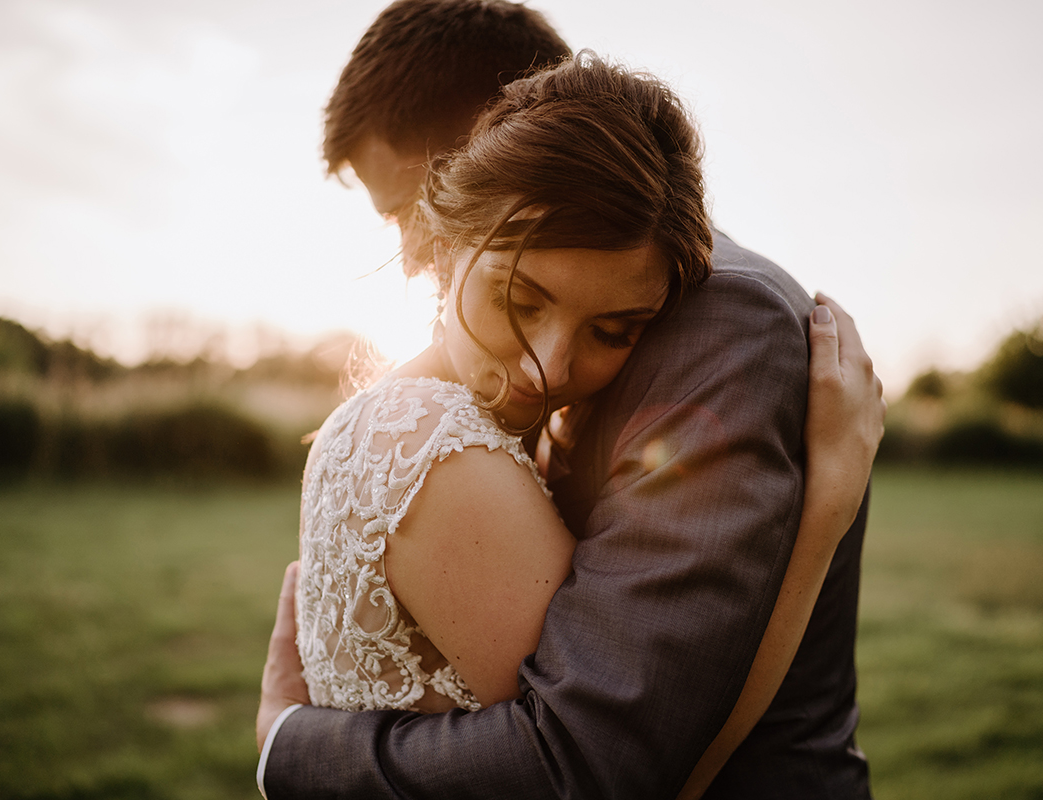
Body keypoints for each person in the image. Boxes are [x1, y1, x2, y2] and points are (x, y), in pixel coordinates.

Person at [258, 3, 881, 797]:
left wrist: (293, 750)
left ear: (506, 142)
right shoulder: (427, 420)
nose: (415, 256)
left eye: (411, 211)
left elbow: (591, 758)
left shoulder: (724, 322)